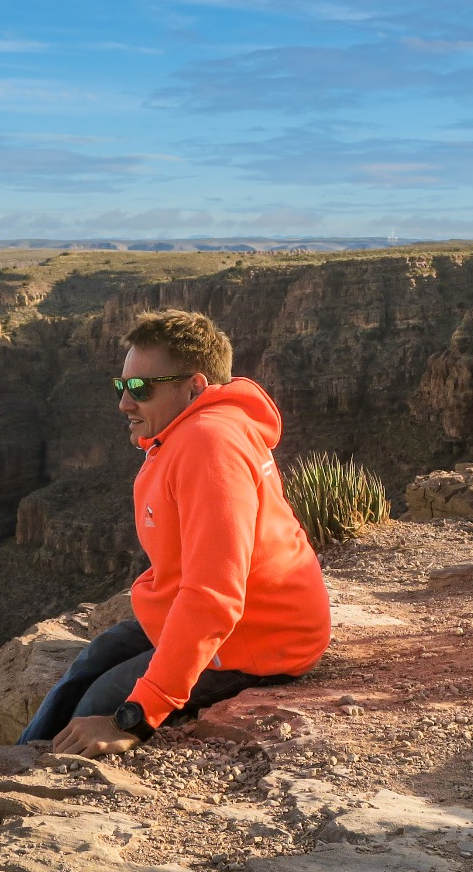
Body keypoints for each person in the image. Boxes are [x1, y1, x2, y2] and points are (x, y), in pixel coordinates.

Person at [18, 309, 330, 757]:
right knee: (96, 658)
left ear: (195, 387)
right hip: (239, 618)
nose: (125, 403)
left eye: (140, 389)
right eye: (121, 386)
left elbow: (213, 596)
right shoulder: (187, 432)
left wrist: (136, 718)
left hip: (260, 640)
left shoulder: (208, 444)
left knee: (103, 700)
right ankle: (21, 756)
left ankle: (32, 780)